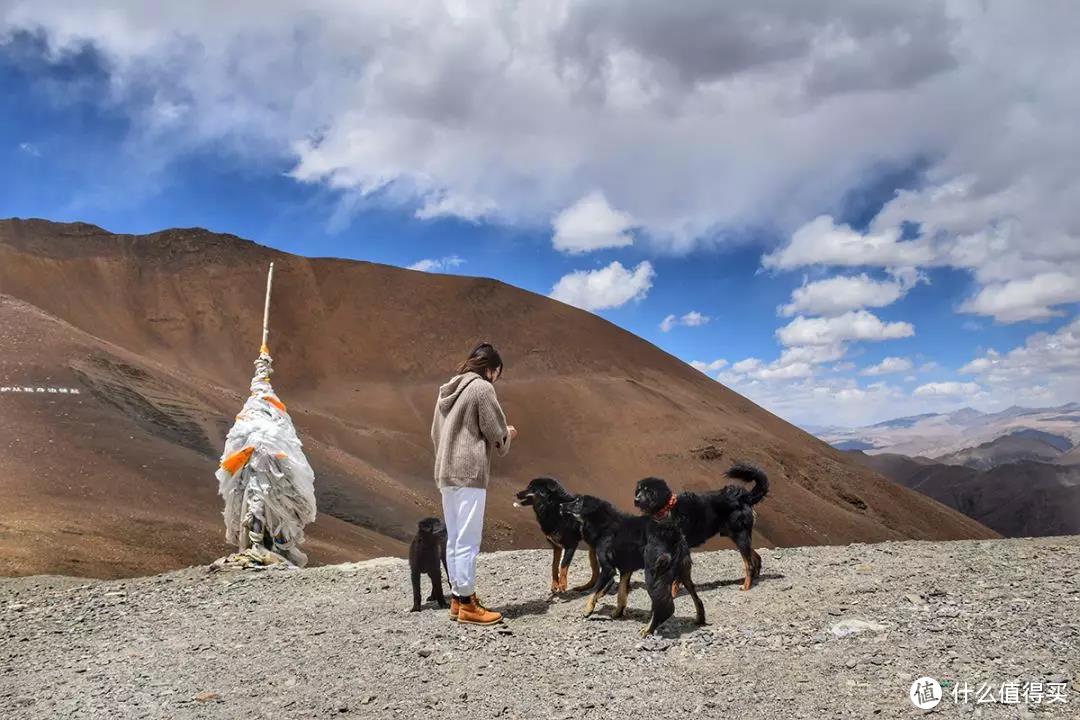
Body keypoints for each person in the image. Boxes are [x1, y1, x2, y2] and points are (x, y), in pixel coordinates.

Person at [431, 342, 517, 625]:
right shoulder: (482, 388)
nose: (496, 378)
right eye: (497, 373)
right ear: (492, 369)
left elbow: (435, 434)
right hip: (469, 472)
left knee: (455, 538)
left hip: (446, 471)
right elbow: (495, 432)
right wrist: (509, 434)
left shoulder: (447, 390)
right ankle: (468, 604)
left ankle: (458, 598)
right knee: (468, 539)